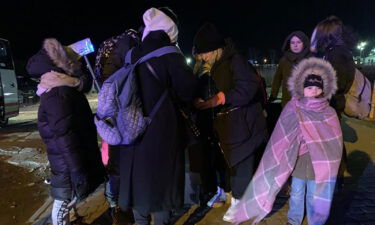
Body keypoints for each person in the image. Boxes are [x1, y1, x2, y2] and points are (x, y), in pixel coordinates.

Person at [225, 57, 343, 225]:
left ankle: (314, 221)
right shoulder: (293, 107)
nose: (313, 91)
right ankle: (294, 220)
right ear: (302, 89)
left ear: (323, 90)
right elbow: (282, 135)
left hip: (319, 163)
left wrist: (316, 141)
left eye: (317, 88)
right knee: (296, 192)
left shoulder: (328, 112)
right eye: (309, 88)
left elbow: (334, 141)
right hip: (298, 160)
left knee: (313, 194)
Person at [116, 7, 198, 225]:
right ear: (171, 28)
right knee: (162, 184)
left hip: (132, 129)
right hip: (162, 131)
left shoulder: (131, 54)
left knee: (139, 183)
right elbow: (188, 91)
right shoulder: (171, 55)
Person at [26, 38, 106, 225]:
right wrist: (77, 169)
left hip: (66, 160)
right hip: (67, 161)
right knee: (62, 201)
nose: (77, 66)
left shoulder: (61, 87)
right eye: (72, 62)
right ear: (63, 65)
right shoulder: (60, 92)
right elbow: (65, 136)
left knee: (66, 198)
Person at [193, 22, 268, 216]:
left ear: (217, 48)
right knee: (231, 163)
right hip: (228, 126)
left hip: (245, 124)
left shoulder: (235, 61)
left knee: (242, 162)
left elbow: (247, 88)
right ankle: (233, 196)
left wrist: (221, 98)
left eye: (206, 53)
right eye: (201, 54)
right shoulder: (212, 65)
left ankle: (240, 203)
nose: (203, 57)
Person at [94, 28, 140, 225]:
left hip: (111, 122)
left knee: (114, 164)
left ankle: (115, 206)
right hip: (126, 118)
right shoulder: (131, 46)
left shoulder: (108, 46)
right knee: (126, 165)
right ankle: (125, 208)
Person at [269, 31, 310, 107]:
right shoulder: (284, 60)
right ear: (289, 44)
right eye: (292, 42)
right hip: (288, 101)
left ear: (304, 43)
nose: (295, 45)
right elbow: (277, 78)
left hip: (306, 102)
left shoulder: (310, 60)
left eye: (298, 42)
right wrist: (273, 94)